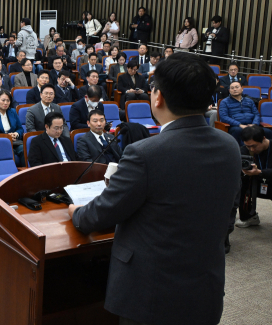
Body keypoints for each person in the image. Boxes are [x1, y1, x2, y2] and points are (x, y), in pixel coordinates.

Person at [68, 52, 241, 325]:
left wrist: (76, 212)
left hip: (152, 297)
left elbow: (101, 215)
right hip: (204, 290)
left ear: (157, 97)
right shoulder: (230, 145)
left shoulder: (145, 153)